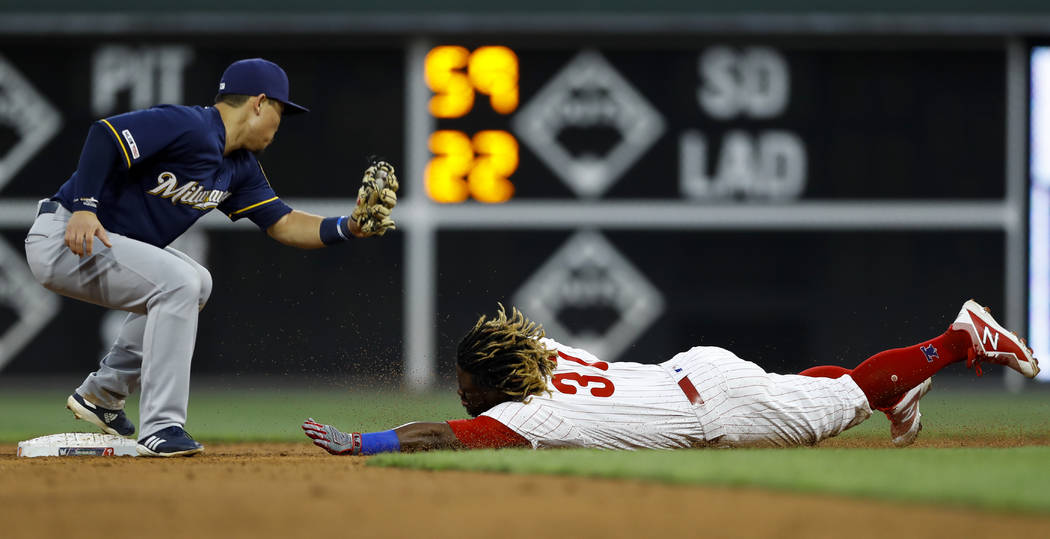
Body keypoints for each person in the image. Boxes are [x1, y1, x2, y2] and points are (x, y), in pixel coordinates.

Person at [25, 58, 397, 457]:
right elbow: (105, 134)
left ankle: (103, 394)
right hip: (65, 235)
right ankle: (161, 426)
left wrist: (349, 227)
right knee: (178, 283)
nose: (279, 123)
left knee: (197, 281)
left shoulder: (239, 168)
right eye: (279, 110)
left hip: (106, 244)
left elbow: (283, 222)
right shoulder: (189, 125)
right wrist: (85, 206)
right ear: (258, 103)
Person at [302, 300, 1039, 454]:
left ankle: (959, 336)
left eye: (469, 381)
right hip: (696, 371)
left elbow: (443, 435)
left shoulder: (534, 416)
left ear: (498, 382)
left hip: (721, 408)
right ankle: (899, 387)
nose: (461, 390)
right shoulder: (544, 353)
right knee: (815, 391)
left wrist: (362, 441)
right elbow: (504, 341)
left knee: (845, 399)